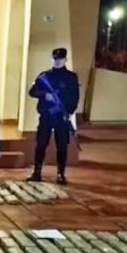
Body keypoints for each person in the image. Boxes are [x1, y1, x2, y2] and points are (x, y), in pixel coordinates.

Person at [27, 48, 79, 184]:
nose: (57, 61)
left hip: (61, 117)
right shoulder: (44, 76)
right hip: (46, 116)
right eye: (55, 59)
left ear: (65, 60)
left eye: (60, 59)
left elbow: (75, 97)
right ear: (52, 59)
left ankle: (60, 174)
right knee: (41, 144)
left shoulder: (71, 77)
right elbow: (32, 91)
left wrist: (68, 112)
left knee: (62, 146)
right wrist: (45, 95)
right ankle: (37, 172)